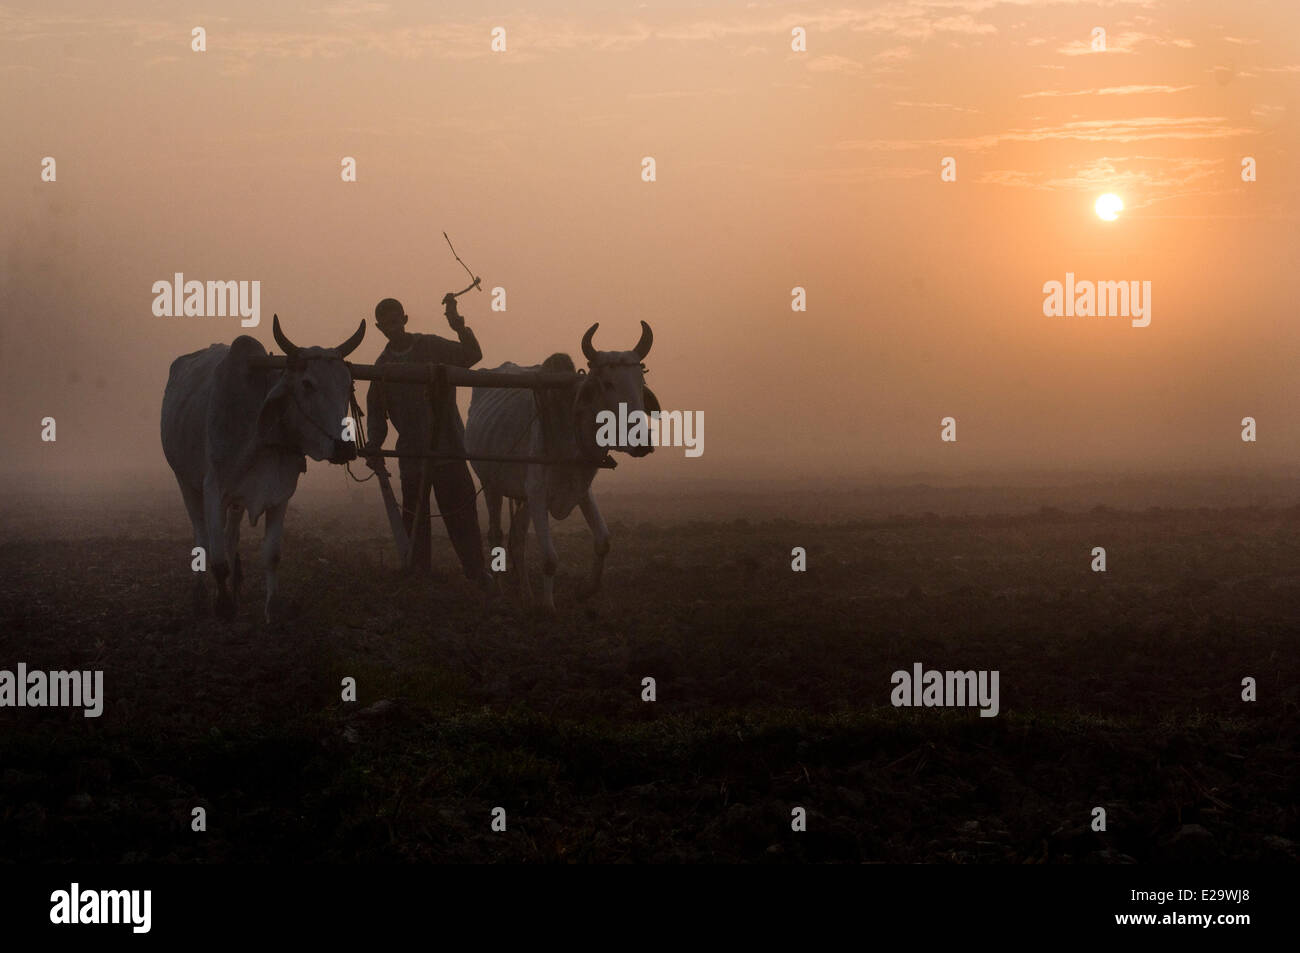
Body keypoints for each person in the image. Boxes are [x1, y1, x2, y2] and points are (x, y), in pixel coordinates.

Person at [363, 295, 489, 585]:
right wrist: (373, 444)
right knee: (415, 520)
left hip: (449, 449)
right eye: (387, 324)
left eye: (397, 321)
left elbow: (472, 355)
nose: (393, 328)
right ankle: (420, 578)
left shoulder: (431, 346)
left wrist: (457, 323)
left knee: (461, 516)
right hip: (411, 456)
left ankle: (476, 574)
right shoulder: (381, 368)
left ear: (405, 320)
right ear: (379, 328)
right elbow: (375, 413)